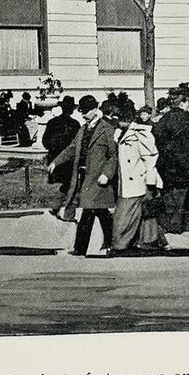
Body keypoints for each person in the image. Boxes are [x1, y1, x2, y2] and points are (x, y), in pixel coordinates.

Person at [63, 95, 118, 255]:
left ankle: (82, 248)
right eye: (82, 111)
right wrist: (56, 162)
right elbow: (72, 148)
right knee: (99, 212)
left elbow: (113, 156)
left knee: (90, 211)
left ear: (95, 110)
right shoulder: (83, 129)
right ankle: (112, 244)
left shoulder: (106, 128)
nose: (84, 114)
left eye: (86, 111)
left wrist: (107, 174)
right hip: (85, 177)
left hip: (99, 178)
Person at [111, 100, 166, 254]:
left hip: (138, 179)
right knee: (144, 214)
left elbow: (150, 157)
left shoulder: (141, 133)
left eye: (119, 119)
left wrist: (150, 181)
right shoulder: (121, 133)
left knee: (125, 215)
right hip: (129, 179)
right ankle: (151, 241)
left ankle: (120, 244)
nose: (117, 122)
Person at [154, 86, 189, 233]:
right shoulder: (187, 118)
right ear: (183, 102)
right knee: (187, 195)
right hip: (186, 163)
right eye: (188, 101)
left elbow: (158, 138)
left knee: (170, 194)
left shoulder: (164, 119)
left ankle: (169, 224)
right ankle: (185, 224)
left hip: (167, 163)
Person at [42, 97, 81, 217]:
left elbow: (45, 141)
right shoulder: (75, 124)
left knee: (67, 185)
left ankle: (56, 207)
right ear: (72, 110)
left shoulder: (52, 122)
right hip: (69, 162)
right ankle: (67, 213)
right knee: (72, 187)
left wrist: (53, 152)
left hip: (55, 161)